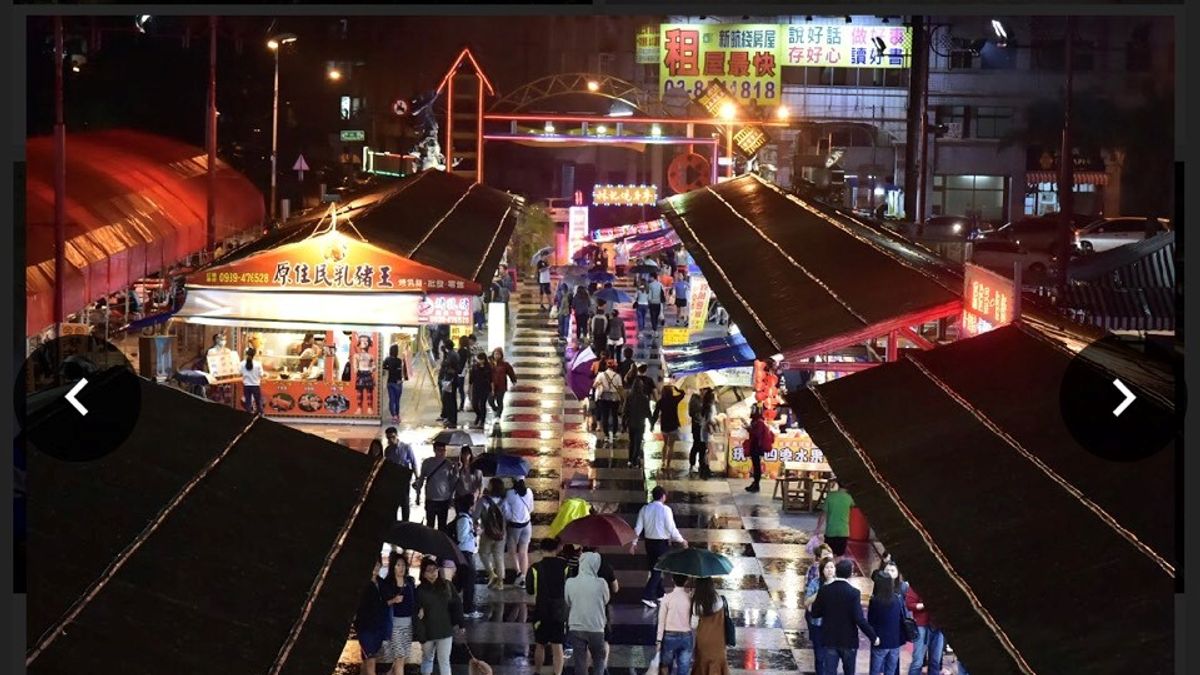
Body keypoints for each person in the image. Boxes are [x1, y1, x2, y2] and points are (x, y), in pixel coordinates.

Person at [810, 559, 879, 675]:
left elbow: (815, 613)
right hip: (848, 640)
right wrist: (873, 636)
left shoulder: (824, 590)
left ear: (836, 571)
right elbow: (859, 619)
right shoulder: (854, 593)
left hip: (830, 639)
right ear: (851, 573)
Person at [631, 486, 686, 608]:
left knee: (654, 568)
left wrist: (633, 543)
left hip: (649, 543)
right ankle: (647, 596)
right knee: (658, 570)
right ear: (663, 496)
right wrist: (681, 540)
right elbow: (672, 528)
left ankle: (660, 594)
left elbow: (638, 528)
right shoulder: (666, 510)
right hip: (662, 544)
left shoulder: (644, 509)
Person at [527, 538, 571, 675]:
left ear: (541, 549)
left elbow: (530, 590)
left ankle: (538, 671)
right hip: (559, 611)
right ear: (556, 549)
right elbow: (569, 586)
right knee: (558, 646)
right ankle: (557, 673)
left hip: (541, 611)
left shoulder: (535, 568)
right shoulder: (565, 566)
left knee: (540, 645)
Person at [415, 557, 464, 675]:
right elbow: (415, 611)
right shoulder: (419, 590)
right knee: (427, 658)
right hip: (427, 632)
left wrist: (460, 624)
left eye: (435, 569)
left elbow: (457, 605)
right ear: (423, 573)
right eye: (429, 570)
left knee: (444, 661)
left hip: (445, 630)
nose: (433, 573)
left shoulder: (447, 585)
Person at [564, 552, 610, 675]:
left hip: (576, 625)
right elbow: (606, 600)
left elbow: (568, 601)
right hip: (596, 627)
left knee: (579, 662)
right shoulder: (602, 583)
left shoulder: (570, 582)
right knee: (598, 660)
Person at [379, 551, 417, 675]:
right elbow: (383, 603)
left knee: (402, 656)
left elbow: (415, 600)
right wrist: (393, 600)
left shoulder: (410, 581)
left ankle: (390, 673)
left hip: (408, 624)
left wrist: (419, 609)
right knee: (400, 656)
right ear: (393, 567)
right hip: (394, 624)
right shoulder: (388, 583)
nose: (401, 568)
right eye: (398, 565)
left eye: (403, 565)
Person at [356, 559, 393, 675]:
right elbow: (369, 605)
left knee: (369, 659)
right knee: (370, 658)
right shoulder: (364, 584)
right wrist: (389, 602)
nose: (376, 568)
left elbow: (386, 598)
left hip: (378, 626)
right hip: (366, 626)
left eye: (377, 565)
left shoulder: (381, 582)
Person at [690, 576, 731, 675]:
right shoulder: (720, 600)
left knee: (702, 665)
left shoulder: (697, 604)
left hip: (703, 641)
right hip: (718, 641)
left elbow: (693, 625)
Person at [453, 493, 484, 619]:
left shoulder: (465, 518)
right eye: (474, 503)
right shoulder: (464, 520)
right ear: (470, 505)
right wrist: (475, 533)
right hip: (465, 553)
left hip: (465, 553)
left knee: (460, 581)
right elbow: (461, 537)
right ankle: (468, 609)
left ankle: (452, 602)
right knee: (469, 581)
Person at [414, 442, 457, 531]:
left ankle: (440, 544)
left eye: (443, 450)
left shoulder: (448, 464)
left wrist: (456, 472)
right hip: (431, 499)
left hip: (444, 500)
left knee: (442, 526)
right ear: (434, 450)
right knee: (430, 525)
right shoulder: (427, 462)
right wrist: (418, 495)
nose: (441, 453)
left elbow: (452, 481)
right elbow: (421, 479)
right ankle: (430, 543)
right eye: (439, 450)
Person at [867, 574, 905, 675]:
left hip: (880, 641)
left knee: (875, 670)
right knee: (890, 671)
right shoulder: (897, 599)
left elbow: (870, 621)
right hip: (895, 641)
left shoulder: (875, 601)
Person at [656, 573, 694, 675]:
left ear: (673, 579)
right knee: (683, 669)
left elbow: (661, 621)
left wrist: (659, 640)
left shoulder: (667, 598)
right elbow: (694, 620)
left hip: (669, 636)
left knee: (665, 666)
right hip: (686, 636)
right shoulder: (690, 598)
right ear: (686, 581)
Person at [805, 556, 837, 675]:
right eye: (827, 567)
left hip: (832, 626)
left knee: (831, 656)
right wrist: (820, 592)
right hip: (817, 625)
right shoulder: (815, 583)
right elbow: (806, 602)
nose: (829, 570)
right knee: (819, 656)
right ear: (822, 570)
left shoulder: (838, 584)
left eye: (832, 567)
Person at [476, 478, 508, 589]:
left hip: (487, 533)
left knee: (483, 553)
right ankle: (500, 582)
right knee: (499, 557)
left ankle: (491, 573)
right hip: (501, 534)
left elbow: (475, 515)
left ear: (491, 486)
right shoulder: (504, 500)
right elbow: (507, 516)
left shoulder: (483, 500)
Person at [905, 585, 945, 675]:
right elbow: (909, 604)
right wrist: (926, 605)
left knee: (936, 661)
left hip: (938, 625)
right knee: (918, 661)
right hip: (922, 625)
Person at [503, 478, 535, 587]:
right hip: (527, 525)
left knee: (512, 551)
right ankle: (524, 578)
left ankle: (518, 572)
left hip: (514, 526)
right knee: (523, 552)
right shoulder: (529, 491)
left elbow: (506, 511)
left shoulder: (510, 493)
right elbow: (531, 508)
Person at [383, 427, 417, 522]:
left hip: (404, 479)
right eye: (388, 438)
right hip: (393, 479)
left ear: (397, 436)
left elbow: (413, 463)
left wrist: (417, 478)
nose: (390, 440)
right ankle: (393, 525)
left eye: (392, 437)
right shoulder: (388, 450)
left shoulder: (406, 448)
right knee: (393, 503)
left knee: (405, 503)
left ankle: (405, 524)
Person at [651, 382, 686, 475]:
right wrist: (677, 389)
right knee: (671, 446)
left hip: (664, 426)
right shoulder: (674, 400)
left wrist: (652, 424)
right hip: (673, 425)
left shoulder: (660, 401)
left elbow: (655, 414)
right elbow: (683, 394)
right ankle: (668, 464)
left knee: (665, 444)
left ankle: (662, 462)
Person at [591, 360, 624, 448]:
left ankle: (606, 435)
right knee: (614, 415)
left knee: (605, 416)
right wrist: (622, 398)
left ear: (606, 366)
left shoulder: (601, 375)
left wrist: (600, 384)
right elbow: (620, 388)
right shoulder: (617, 376)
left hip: (604, 397)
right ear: (614, 367)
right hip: (614, 398)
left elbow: (594, 385)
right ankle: (613, 434)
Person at [818, 479, 855, 557]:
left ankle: (829, 567)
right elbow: (853, 506)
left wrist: (818, 528)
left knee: (828, 556)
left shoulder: (830, 496)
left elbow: (823, 514)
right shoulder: (849, 498)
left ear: (838, 484)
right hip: (843, 532)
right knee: (839, 556)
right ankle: (836, 568)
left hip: (830, 531)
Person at [624, 379, 653, 469]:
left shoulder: (629, 397)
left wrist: (624, 424)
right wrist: (651, 423)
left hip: (631, 423)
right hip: (640, 423)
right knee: (638, 442)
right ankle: (635, 459)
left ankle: (630, 460)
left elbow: (626, 411)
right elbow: (648, 412)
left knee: (632, 442)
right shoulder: (645, 398)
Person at [689, 386, 717, 479]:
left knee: (703, 448)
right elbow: (692, 413)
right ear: (701, 389)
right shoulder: (695, 398)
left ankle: (702, 467)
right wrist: (701, 420)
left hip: (704, 428)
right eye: (706, 390)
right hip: (697, 427)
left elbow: (708, 416)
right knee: (696, 445)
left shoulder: (707, 401)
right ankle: (692, 464)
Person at [490, 348, 518, 431]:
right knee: (490, 400)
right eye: (495, 354)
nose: (496, 356)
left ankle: (498, 416)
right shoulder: (490, 364)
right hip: (491, 386)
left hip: (501, 386)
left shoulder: (505, 364)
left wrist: (514, 381)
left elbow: (511, 373)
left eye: (498, 354)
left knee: (499, 401)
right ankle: (496, 410)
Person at [745, 409, 772, 493]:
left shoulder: (759, 422)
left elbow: (757, 434)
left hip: (757, 447)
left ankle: (756, 484)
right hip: (755, 446)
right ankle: (755, 483)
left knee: (757, 466)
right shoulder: (758, 421)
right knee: (756, 465)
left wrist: (749, 429)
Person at [382, 344, 410, 424]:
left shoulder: (387, 359)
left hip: (390, 382)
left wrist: (389, 368)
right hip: (398, 383)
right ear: (397, 352)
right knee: (397, 401)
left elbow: (383, 367)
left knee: (392, 400)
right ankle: (397, 416)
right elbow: (400, 371)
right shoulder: (399, 361)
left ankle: (393, 416)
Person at [437, 339, 460, 428]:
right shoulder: (452, 354)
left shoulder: (452, 355)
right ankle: (450, 418)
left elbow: (447, 365)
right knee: (449, 400)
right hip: (450, 380)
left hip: (450, 380)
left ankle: (452, 419)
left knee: (449, 400)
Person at [468, 352, 493, 428]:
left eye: (481, 359)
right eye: (479, 359)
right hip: (476, 388)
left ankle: (482, 421)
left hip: (485, 388)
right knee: (474, 404)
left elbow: (491, 379)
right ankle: (479, 415)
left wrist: (492, 389)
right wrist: (469, 388)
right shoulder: (475, 367)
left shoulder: (488, 368)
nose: (480, 361)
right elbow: (471, 379)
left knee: (482, 404)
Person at [353, 334, 376, 416]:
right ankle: (359, 408)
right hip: (361, 373)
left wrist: (372, 368)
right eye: (362, 341)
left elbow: (374, 365)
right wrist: (355, 368)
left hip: (368, 373)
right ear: (359, 342)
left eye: (366, 341)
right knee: (359, 392)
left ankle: (370, 407)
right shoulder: (356, 355)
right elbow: (355, 365)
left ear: (369, 343)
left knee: (369, 392)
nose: (364, 343)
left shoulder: (371, 356)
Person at [241, 347, 264, 415]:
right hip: (255, 386)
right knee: (258, 401)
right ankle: (261, 414)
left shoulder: (242, 363)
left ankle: (248, 415)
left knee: (248, 401)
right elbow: (261, 374)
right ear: (254, 355)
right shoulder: (258, 364)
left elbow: (239, 372)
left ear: (246, 354)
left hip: (246, 386)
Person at [454, 336, 471, 413]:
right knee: (461, 389)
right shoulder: (467, 350)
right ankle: (461, 404)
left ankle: (461, 405)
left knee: (459, 389)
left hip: (460, 372)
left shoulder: (461, 351)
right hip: (464, 372)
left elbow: (460, 362)